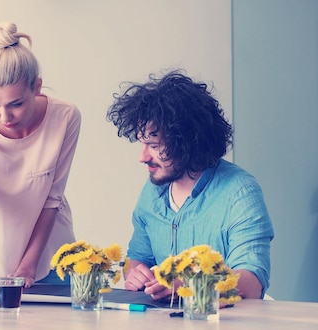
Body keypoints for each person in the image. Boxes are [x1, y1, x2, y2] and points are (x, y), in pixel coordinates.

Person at [106, 70, 274, 300]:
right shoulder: (152, 190)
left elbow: (253, 282)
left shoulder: (240, 192)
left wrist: (191, 284)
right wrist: (136, 274)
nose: (142, 157)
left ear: (186, 142)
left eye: (154, 146)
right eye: (143, 144)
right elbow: (138, 258)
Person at [0, 22, 81, 291]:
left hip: (53, 257)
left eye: (16, 104)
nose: (3, 116)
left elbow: (52, 199)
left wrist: (28, 265)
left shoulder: (66, 117)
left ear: (37, 87)